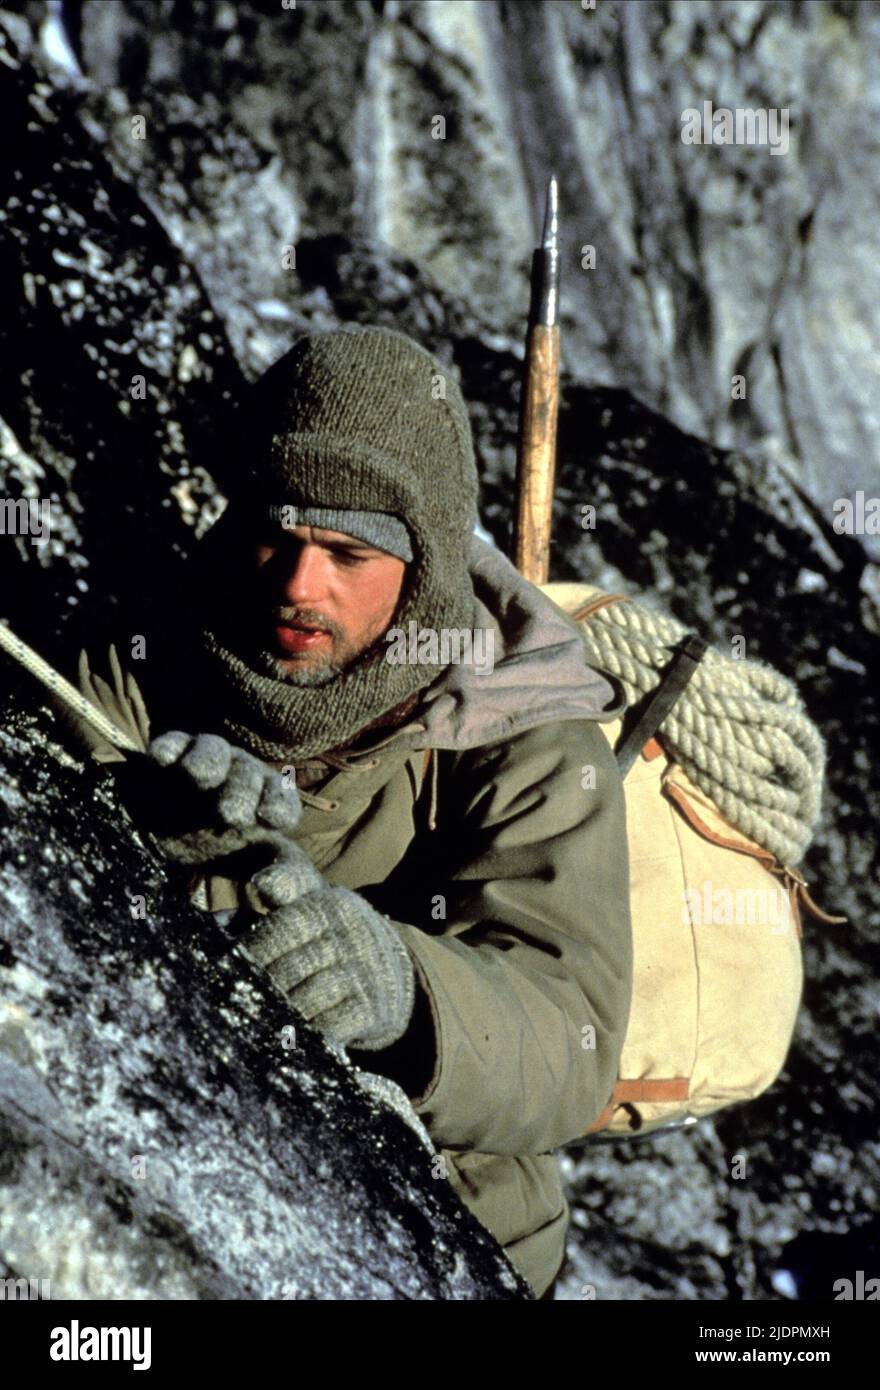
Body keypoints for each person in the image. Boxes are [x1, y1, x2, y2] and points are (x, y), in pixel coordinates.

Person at [74, 324, 633, 1300]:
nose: (298, 586)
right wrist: (150, 816)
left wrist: (402, 987)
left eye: (347, 552)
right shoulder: (155, 643)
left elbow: (573, 1028)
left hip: (453, 1224)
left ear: (423, 568)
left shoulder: (524, 728)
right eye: (277, 537)